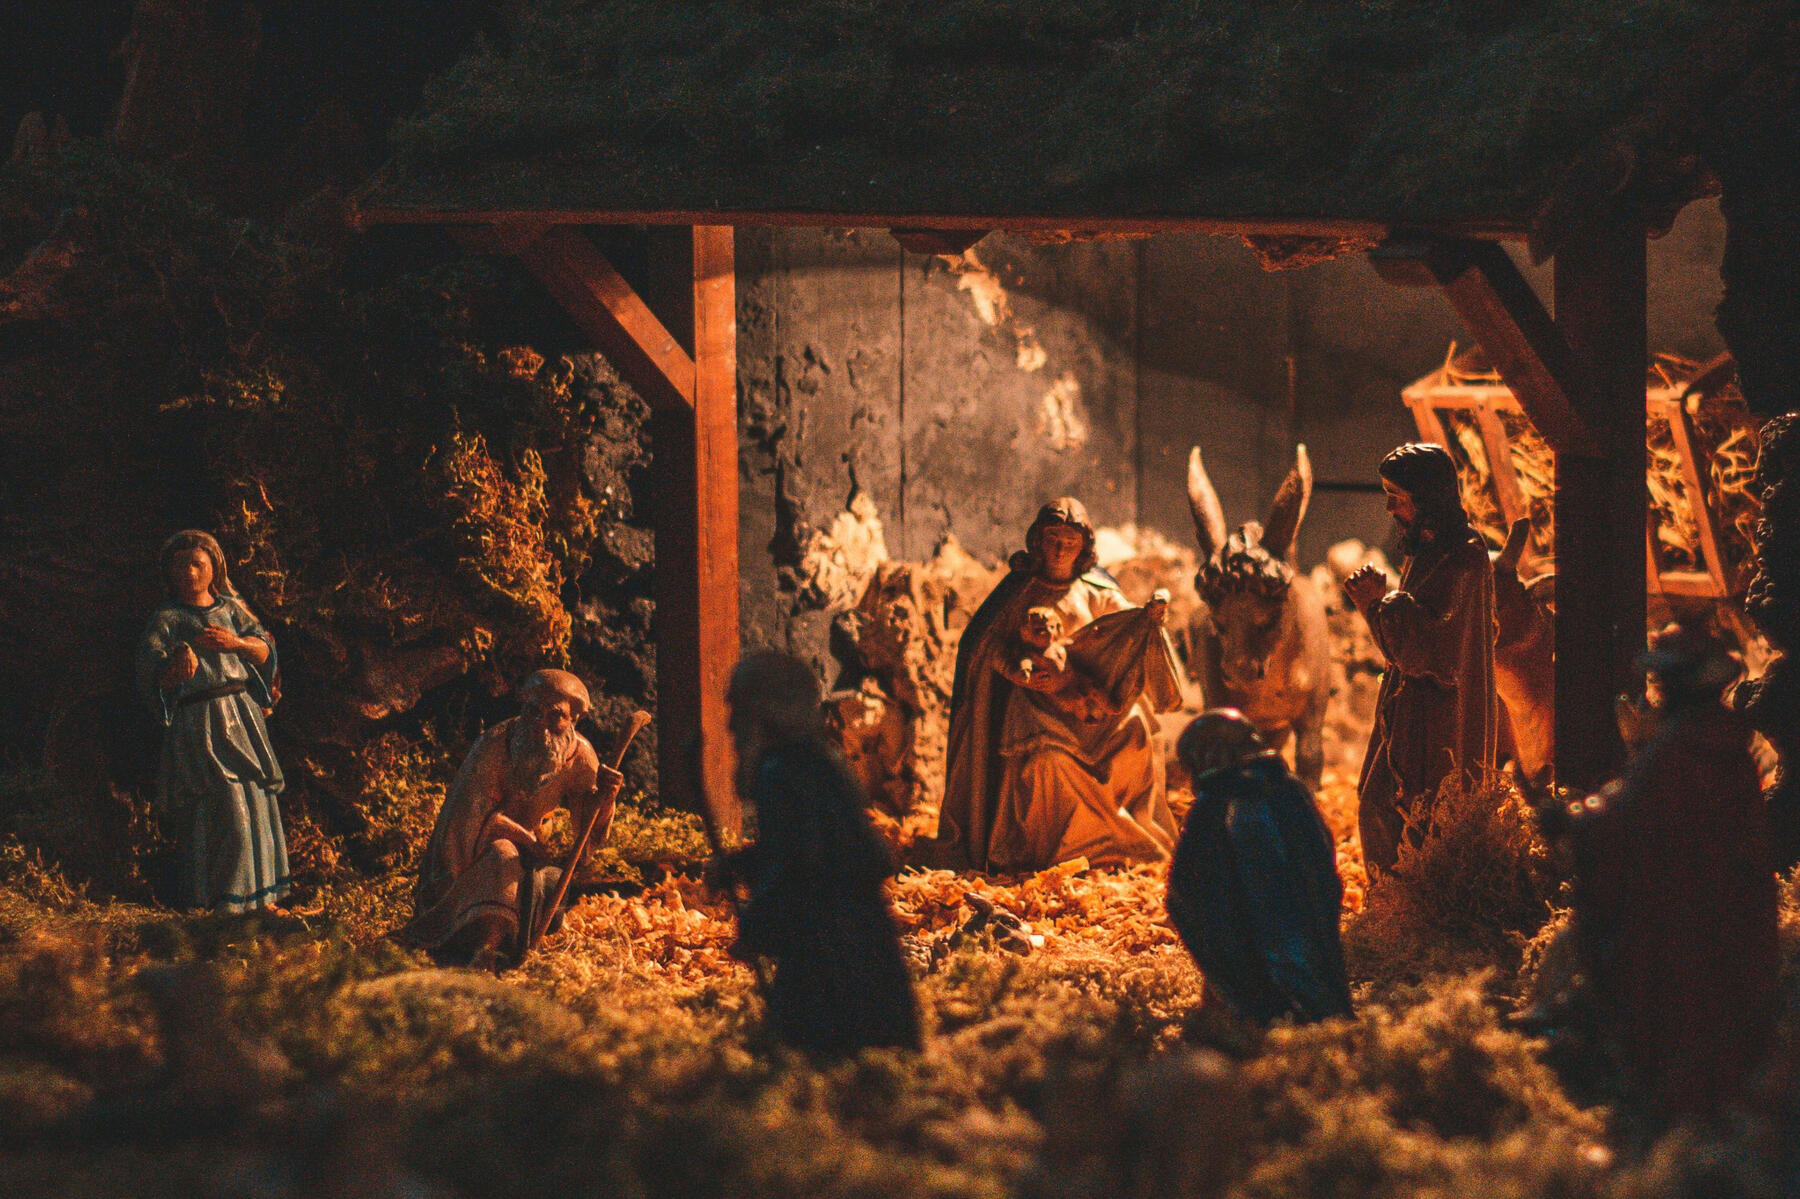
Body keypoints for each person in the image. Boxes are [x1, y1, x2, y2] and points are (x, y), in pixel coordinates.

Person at [1569, 623, 1777, 1123]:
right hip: (1730, 909)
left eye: (1663, 681)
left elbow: (1631, 814)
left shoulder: (1681, 747)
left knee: (1669, 997)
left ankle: (1662, 1095)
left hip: (1684, 911)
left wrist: (1577, 817)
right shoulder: (1724, 743)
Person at [939, 498, 1184, 872]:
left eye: (1070, 543)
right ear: (1038, 540)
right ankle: (1050, 855)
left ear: (1083, 547)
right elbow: (988, 646)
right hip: (1038, 711)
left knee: (1137, 728)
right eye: (1053, 539)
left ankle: (1123, 845)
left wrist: (1151, 617)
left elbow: (1127, 628)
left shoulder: (1097, 590)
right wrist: (1016, 672)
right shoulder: (1019, 593)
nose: (1060, 550)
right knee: (1046, 761)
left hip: (1090, 708)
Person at [712, 650, 921, 1055]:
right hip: (844, 930)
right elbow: (792, 846)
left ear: (766, 714)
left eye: (739, 711)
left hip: (832, 941)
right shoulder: (812, 765)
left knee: (826, 1035)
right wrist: (739, 865)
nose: (732, 725)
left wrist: (758, 922)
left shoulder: (782, 774)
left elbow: (801, 865)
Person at [1342, 443, 1498, 880]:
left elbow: (1428, 649)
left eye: (1398, 497)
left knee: (1402, 810)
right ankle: (1390, 900)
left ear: (1427, 498)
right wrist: (1378, 607)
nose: (1390, 508)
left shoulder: (1464, 557)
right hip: (1409, 710)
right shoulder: (1427, 547)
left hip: (1439, 718)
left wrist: (1377, 604)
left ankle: (1405, 902)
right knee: (1379, 803)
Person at [401, 669, 622, 971]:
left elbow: (588, 822)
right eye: (533, 711)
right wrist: (524, 839)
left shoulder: (580, 756)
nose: (540, 724)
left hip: (530, 856)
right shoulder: (495, 745)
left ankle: (510, 946)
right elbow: (470, 819)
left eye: (555, 716)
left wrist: (606, 798)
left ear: (575, 720)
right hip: (475, 853)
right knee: (503, 857)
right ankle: (485, 951)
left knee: (548, 883)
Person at [136, 530, 291, 913]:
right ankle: (222, 903)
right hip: (200, 723)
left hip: (241, 714)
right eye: (181, 566)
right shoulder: (168, 619)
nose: (189, 573)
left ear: (213, 568)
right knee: (221, 806)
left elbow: (264, 649)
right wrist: (175, 668)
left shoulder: (231, 610)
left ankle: (261, 900)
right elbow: (150, 670)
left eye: (197, 564)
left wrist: (236, 644)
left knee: (256, 802)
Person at [1166, 710, 1352, 1027]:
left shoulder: (1216, 804)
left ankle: (1261, 1015)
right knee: (1314, 975)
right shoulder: (1290, 790)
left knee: (1265, 987)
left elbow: (1188, 886)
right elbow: (1321, 859)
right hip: (1308, 929)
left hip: (1248, 948)